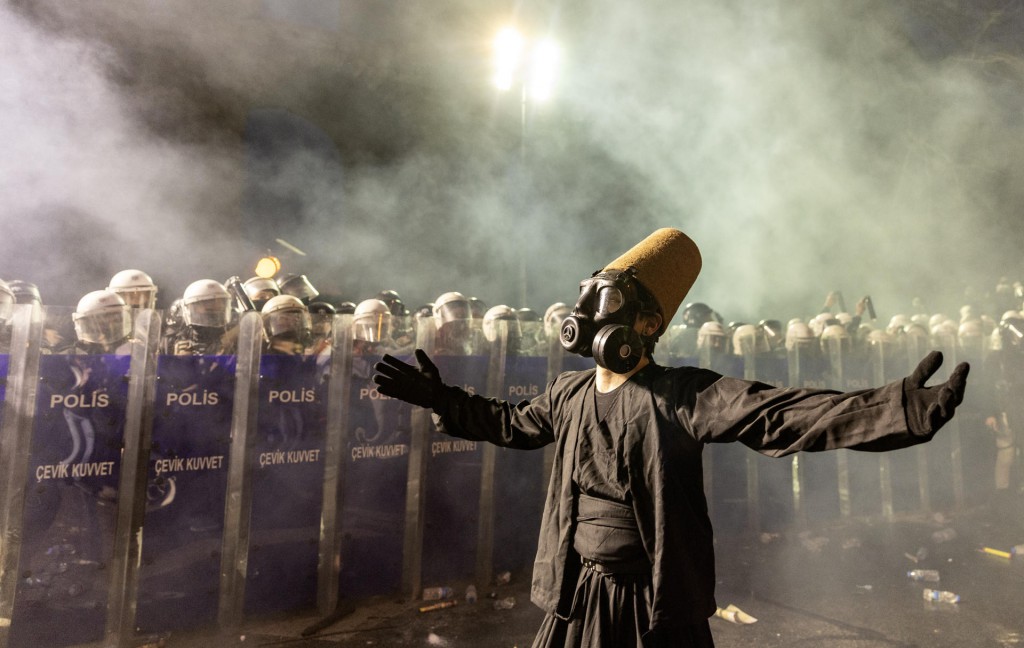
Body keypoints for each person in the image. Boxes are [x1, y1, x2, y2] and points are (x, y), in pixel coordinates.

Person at [372, 228, 970, 648]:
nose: (588, 310)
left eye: (608, 300)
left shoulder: (683, 395)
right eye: (589, 293)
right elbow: (507, 422)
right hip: (578, 596)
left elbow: (784, 413)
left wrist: (894, 411)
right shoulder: (568, 394)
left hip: (651, 604)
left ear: (647, 325)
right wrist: (442, 400)